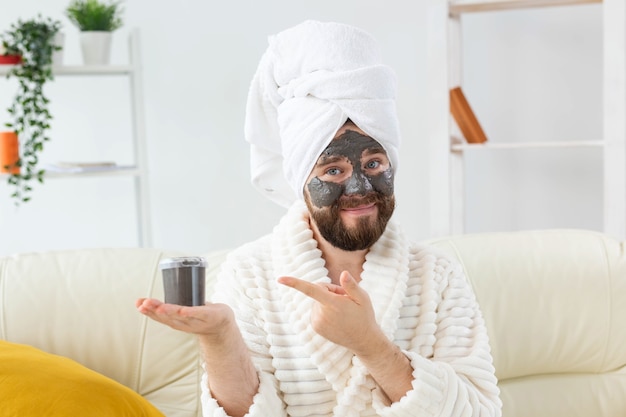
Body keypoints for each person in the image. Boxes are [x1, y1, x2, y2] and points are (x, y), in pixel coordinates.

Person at [136, 20, 502, 417]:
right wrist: (220, 336)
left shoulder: (438, 276)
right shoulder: (250, 275)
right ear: (301, 181)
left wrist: (371, 344)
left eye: (374, 162)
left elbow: (480, 411)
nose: (361, 187)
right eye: (333, 171)